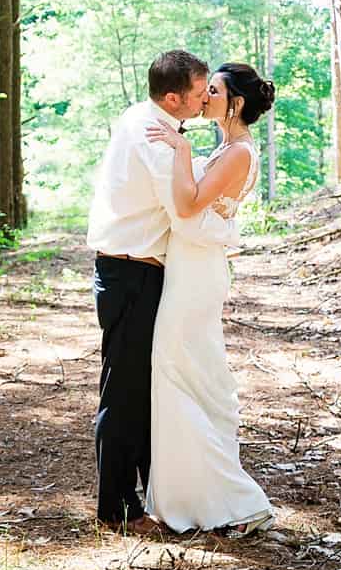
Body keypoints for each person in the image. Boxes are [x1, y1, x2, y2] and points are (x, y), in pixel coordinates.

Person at [86, 49, 241, 533]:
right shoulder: (155, 138)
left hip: (141, 272)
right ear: (172, 97)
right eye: (198, 94)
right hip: (130, 273)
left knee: (150, 388)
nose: (204, 101)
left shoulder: (144, 118)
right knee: (126, 391)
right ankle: (116, 508)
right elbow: (184, 210)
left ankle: (151, 494)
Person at [144, 62, 276, 535]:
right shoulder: (225, 148)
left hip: (197, 272)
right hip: (187, 265)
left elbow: (188, 204)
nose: (204, 97)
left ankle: (233, 499)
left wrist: (179, 147)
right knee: (187, 373)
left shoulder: (239, 153)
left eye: (213, 91)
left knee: (177, 368)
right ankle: (192, 493)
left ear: (235, 103)